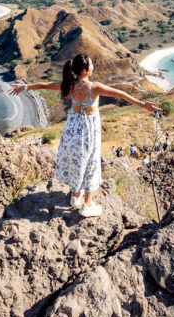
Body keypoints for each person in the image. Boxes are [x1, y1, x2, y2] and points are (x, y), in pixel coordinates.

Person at [10, 53, 159, 217]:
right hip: (88, 129)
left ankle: (75, 196)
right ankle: (87, 205)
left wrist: (24, 87)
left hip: (72, 128)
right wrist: (143, 105)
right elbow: (121, 94)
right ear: (84, 71)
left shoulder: (69, 85)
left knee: (76, 160)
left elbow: (44, 85)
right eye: (91, 65)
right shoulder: (95, 87)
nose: (93, 66)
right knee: (91, 162)